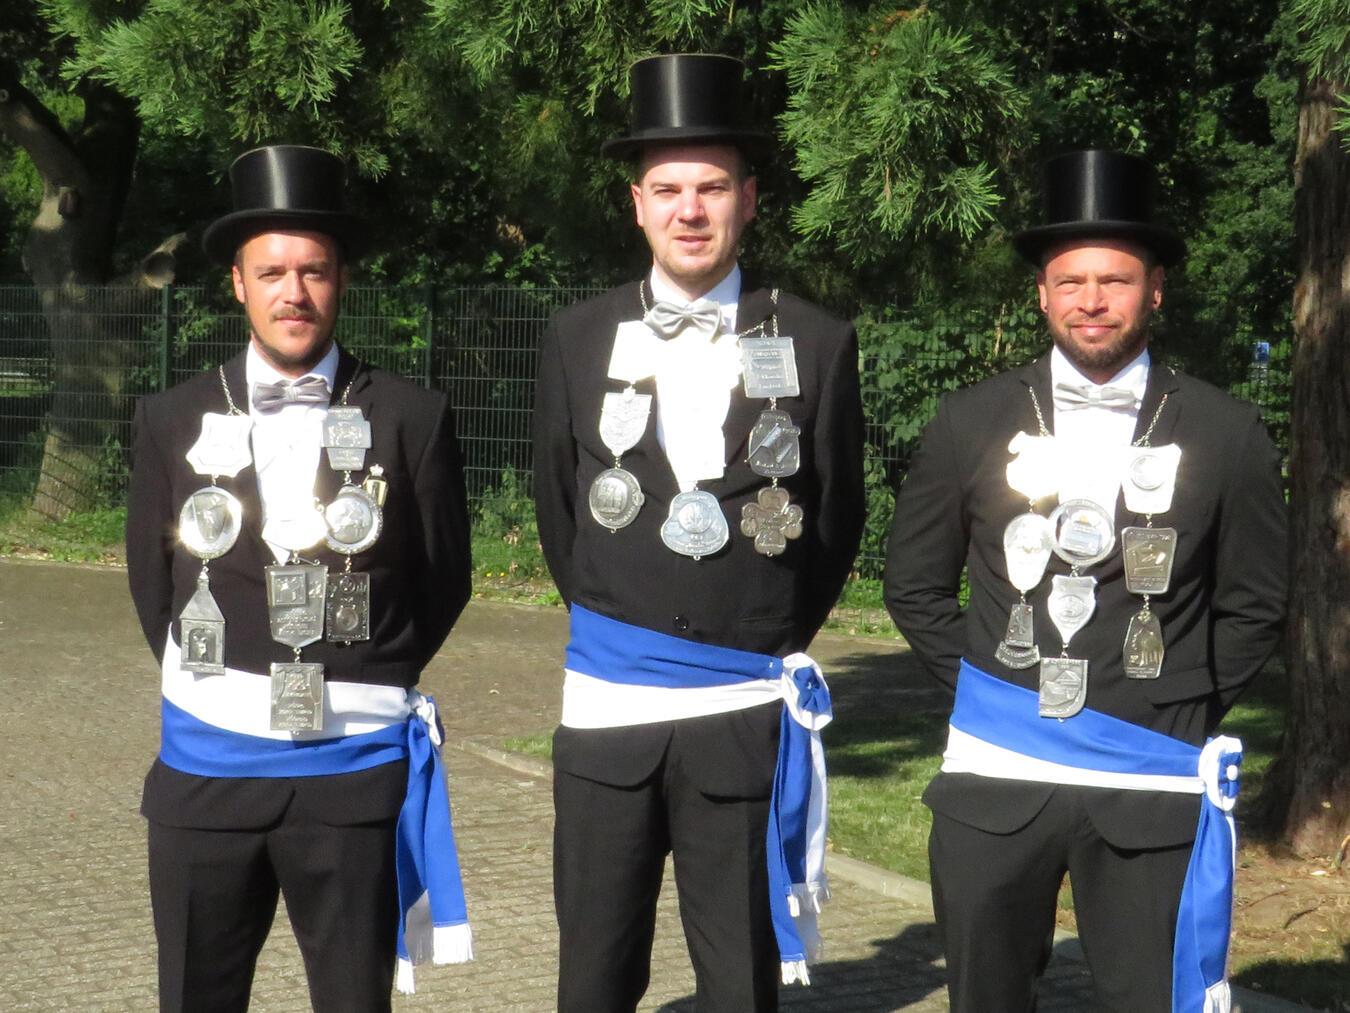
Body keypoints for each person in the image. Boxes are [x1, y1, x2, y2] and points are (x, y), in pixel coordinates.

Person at [883, 149, 1288, 1012]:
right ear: (1041, 293)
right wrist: (989, 693)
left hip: (1148, 781)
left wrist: (1181, 706)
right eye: (1071, 281)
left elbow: (1256, 602)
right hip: (994, 778)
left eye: (1115, 279)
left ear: (1156, 291)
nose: (1092, 300)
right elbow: (915, 585)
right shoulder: (972, 419)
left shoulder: (1227, 429)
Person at [532, 53, 866, 1013]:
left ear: (748, 199)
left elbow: (834, 521)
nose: (690, 209)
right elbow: (563, 512)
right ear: (637, 204)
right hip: (607, 716)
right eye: (669, 189)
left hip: (740, 710)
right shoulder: (577, 337)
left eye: (711, 187)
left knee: (741, 979)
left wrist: (752, 628)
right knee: (593, 974)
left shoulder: (814, 339)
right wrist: (628, 613)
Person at [125, 144, 474, 1013]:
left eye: (313, 270)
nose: (294, 292)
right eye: (272, 271)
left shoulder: (410, 416)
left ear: (341, 278)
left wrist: (360, 665)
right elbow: (153, 588)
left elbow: (443, 580)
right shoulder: (171, 417)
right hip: (207, 771)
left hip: (352, 780)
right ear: (238, 283)